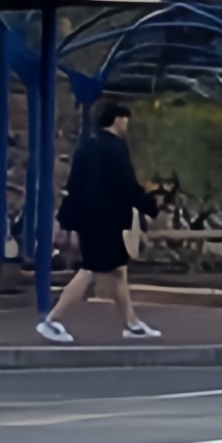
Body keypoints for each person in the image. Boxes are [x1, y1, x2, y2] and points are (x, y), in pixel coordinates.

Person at [38, 96, 163, 344]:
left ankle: (131, 323)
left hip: (89, 219)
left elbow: (74, 185)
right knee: (90, 270)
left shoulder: (86, 147)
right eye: (125, 118)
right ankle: (52, 320)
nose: (126, 123)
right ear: (117, 120)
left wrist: (67, 219)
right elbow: (126, 186)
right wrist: (150, 205)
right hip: (106, 220)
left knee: (118, 270)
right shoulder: (116, 148)